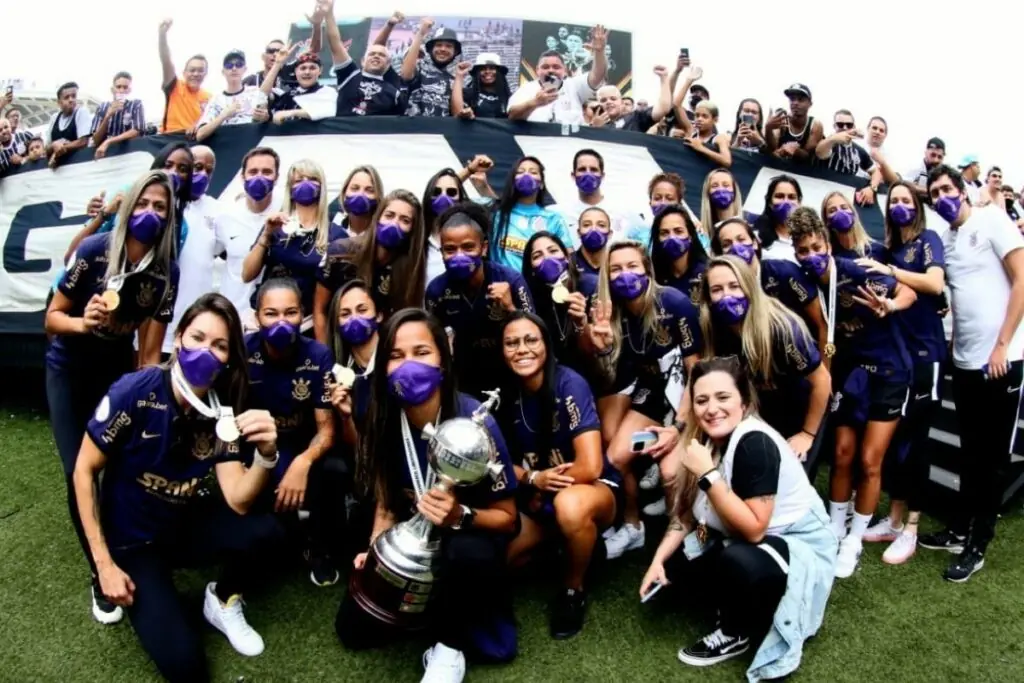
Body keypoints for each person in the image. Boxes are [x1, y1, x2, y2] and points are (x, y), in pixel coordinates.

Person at [72, 293, 283, 682]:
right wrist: (104, 565)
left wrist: (266, 455)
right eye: (198, 338)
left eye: (219, 345)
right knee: (186, 667)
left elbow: (237, 500)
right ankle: (112, 582)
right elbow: (84, 471)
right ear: (180, 337)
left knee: (267, 531)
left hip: (180, 526)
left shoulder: (224, 411)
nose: (206, 351)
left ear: (229, 359)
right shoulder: (135, 391)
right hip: (133, 545)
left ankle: (220, 601)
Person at [335, 308, 519, 682]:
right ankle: (431, 611)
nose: (408, 365)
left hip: (467, 542)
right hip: (412, 541)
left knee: (463, 551)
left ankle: (449, 647)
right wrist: (375, 551)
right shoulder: (379, 414)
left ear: (443, 358)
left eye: (422, 352)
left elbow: (508, 518)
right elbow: (386, 501)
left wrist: (460, 516)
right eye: (396, 356)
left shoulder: (476, 423)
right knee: (352, 630)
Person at [641, 357, 836, 677]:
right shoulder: (705, 441)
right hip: (742, 533)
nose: (711, 408)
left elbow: (755, 529)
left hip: (796, 543)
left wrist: (707, 475)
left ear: (744, 403)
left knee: (737, 560)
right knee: (679, 563)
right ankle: (731, 592)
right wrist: (660, 560)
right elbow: (687, 518)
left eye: (723, 397)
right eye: (701, 400)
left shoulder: (753, 443)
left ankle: (734, 632)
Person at [46, 170, 180, 623]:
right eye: (142, 204)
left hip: (114, 373)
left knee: (121, 461)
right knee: (77, 470)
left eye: (160, 207)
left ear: (169, 215)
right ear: (127, 208)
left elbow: (147, 353)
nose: (149, 213)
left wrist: (147, 400)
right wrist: (86, 322)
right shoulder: (92, 251)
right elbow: (52, 318)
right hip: (68, 370)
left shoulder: (165, 273)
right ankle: (98, 571)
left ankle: (127, 541)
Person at [789, 207, 916, 578]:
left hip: (890, 371)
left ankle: (855, 539)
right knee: (842, 454)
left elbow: (907, 290)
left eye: (816, 246)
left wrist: (890, 305)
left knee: (869, 460)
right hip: (851, 374)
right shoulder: (803, 282)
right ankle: (833, 527)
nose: (811, 255)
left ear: (828, 244)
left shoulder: (855, 269)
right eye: (802, 250)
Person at [918, 165, 1024, 582]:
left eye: (948, 188)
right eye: (936, 192)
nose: (943, 195)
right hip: (962, 363)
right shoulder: (946, 240)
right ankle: (959, 529)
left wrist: (1002, 345)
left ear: (963, 190)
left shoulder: (992, 220)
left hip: (1002, 360)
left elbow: (1022, 279)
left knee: (992, 459)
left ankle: (978, 543)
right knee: (970, 453)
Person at [500, 312, 619, 639]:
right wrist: (532, 480)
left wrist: (542, 487)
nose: (521, 349)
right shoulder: (504, 394)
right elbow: (496, 461)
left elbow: (590, 466)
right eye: (511, 343)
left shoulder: (569, 383)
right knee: (499, 562)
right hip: (535, 497)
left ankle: (572, 588)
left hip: (591, 491)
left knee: (569, 508)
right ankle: (565, 548)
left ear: (546, 345)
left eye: (530, 340)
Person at [588, 241, 703, 559]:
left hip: (684, 400)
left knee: (670, 474)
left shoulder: (675, 303)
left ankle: (684, 532)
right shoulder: (608, 313)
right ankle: (633, 526)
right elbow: (608, 379)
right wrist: (600, 348)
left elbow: (696, 370)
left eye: (632, 266)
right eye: (616, 269)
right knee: (617, 456)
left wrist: (680, 424)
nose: (625, 275)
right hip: (651, 400)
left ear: (647, 270)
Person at [853, 181, 947, 564]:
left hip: (926, 354)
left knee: (918, 441)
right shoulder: (889, 247)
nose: (900, 206)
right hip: (897, 355)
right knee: (897, 440)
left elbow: (934, 282)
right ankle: (893, 520)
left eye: (907, 200)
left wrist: (891, 270)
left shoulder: (928, 239)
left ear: (918, 206)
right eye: (895, 201)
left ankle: (911, 527)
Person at [245, 278, 340, 586]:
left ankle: (320, 543)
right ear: (257, 316)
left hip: (302, 444)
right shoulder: (242, 352)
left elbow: (327, 430)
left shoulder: (318, 355)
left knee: (334, 469)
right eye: (271, 314)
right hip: (258, 447)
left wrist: (303, 462)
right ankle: (278, 534)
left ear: (303, 314)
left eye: (290, 313)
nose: (281, 322)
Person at [697, 256, 830, 462]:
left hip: (799, 412)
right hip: (757, 410)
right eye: (717, 290)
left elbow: (822, 381)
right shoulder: (713, 327)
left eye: (735, 286)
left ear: (749, 286)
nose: (727, 296)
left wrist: (807, 434)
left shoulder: (782, 328)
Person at [426, 203, 535, 398]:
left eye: (468, 247)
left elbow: (536, 332)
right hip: (464, 379)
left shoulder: (511, 280)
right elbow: (433, 342)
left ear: (483, 248)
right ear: (441, 252)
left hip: (511, 375)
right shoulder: (436, 290)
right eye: (450, 249)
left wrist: (510, 308)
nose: (460, 255)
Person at [242, 159, 345, 335]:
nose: (305, 183)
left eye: (312, 178)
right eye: (298, 180)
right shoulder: (277, 225)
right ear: (290, 188)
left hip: (308, 324)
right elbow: (247, 274)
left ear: (321, 187)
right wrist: (267, 234)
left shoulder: (336, 235)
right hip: (265, 320)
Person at [316, 190, 427, 338]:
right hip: (337, 341)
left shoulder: (409, 269)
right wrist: (327, 358)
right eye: (389, 215)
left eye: (405, 220)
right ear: (378, 217)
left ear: (413, 230)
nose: (394, 224)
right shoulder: (339, 252)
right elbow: (320, 311)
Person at [711, 217, 828, 352]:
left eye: (741, 239)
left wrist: (825, 369)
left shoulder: (784, 272)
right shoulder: (725, 293)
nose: (736, 247)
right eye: (727, 244)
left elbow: (823, 325)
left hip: (804, 357)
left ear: (754, 242)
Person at [521, 231, 596, 379]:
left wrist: (582, 324)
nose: (547, 258)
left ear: (567, 257)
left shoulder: (590, 285)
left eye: (553, 251)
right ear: (531, 268)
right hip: (549, 374)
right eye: (537, 256)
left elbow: (597, 350)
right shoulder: (529, 296)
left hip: (592, 371)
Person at [508, 26, 608, 125]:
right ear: (537, 70)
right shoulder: (527, 89)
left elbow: (597, 76)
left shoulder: (574, 86)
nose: (551, 70)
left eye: (556, 67)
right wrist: (535, 103)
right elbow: (512, 115)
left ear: (564, 70)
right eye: (545, 67)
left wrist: (599, 52)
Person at [489, 156, 573, 272]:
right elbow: (456, 197)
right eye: (520, 172)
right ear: (512, 181)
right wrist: (469, 170)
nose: (526, 176)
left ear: (542, 184)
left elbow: (570, 259)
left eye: (533, 172)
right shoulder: (497, 214)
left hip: (539, 288)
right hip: (501, 286)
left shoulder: (554, 219)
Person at [326, 278, 382, 446]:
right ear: (336, 323)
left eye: (362, 310)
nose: (354, 319)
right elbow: (353, 447)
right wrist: (345, 416)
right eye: (345, 314)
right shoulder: (336, 372)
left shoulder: (396, 359)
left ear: (378, 315)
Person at [650, 204, 709, 304]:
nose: (672, 237)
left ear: (690, 236)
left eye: (678, 231)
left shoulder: (707, 272)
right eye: (664, 233)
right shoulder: (652, 276)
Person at [755, 175, 803, 263]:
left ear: (799, 203)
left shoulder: (807, 237)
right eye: (779, 196)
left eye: (791, 197)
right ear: (769, 202)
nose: (786, 202)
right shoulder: (756, 236)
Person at [451, 52, 512, 119]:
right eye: (482, 68)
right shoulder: (467, 94)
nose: (487, 71)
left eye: (492, 68)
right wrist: (459, 76)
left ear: (499, 72)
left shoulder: (509, 97)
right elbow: (456, 114)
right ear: (477, 73)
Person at [331, 164, 384, 238]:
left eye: (369, 190)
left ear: (378, 196)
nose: (360, 194)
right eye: (355, 188)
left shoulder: (381, 235)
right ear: (344, 193)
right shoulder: (331, 225)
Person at [698, 168, 743, 243]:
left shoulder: (746, 229)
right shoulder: (702, 236)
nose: (721, 189)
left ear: (734, 192)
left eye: (726, 185)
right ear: (708, 194)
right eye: (715, 186)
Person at [572, 207, 613, 277]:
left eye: (601, 225)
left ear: (609, 234)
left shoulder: (615, 262)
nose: (594, 229)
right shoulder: (569, 263)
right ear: (579, 233)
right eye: (586, 225)